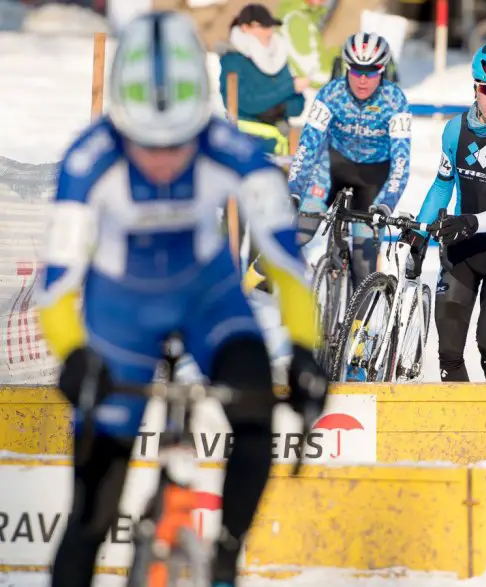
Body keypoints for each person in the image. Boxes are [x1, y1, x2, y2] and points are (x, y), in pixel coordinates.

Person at [37, 11, 328, 587]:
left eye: (179, 144)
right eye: (147, 144)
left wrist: (303, 349)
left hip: (208, 300)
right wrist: (74, 355)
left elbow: (289, 268)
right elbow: (56, 288)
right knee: (92, 516)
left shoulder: (229, 147)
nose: (165, 159)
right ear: (121, 123)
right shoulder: (87, 160)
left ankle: (224, 554)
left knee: (257, 414)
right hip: (120, 314)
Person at [401, 42, 486, 382]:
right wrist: (419, 234)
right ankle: (464, 429)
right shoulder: (454, 129)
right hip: (462, 249)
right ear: (475, 86)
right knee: (448, 351)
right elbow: (443, 186)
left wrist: (469, 222)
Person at [284, 31, 412, 290]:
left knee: (363, 261)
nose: (362, 80)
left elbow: (401, 162)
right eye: (355, 72)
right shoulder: (330, 94)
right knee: (298, 232)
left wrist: (387, 203)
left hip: (372, 178)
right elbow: (308, 146)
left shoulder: (395, 101)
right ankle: (253, 283)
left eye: (371, 73)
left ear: (383, 71)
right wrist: (294, 189)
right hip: (332, 168)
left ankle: (356, 328)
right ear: (346, 68)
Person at [218, 3, 309, 156]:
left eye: (270, 27)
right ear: (245, 28)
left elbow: (298, 105)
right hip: (246, 148)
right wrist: (288, 88)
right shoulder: (233, 62)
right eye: (263, 27)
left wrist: (277, 108)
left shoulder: (277, 59)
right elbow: (248, 103)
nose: (269, 32)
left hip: (281, 147)